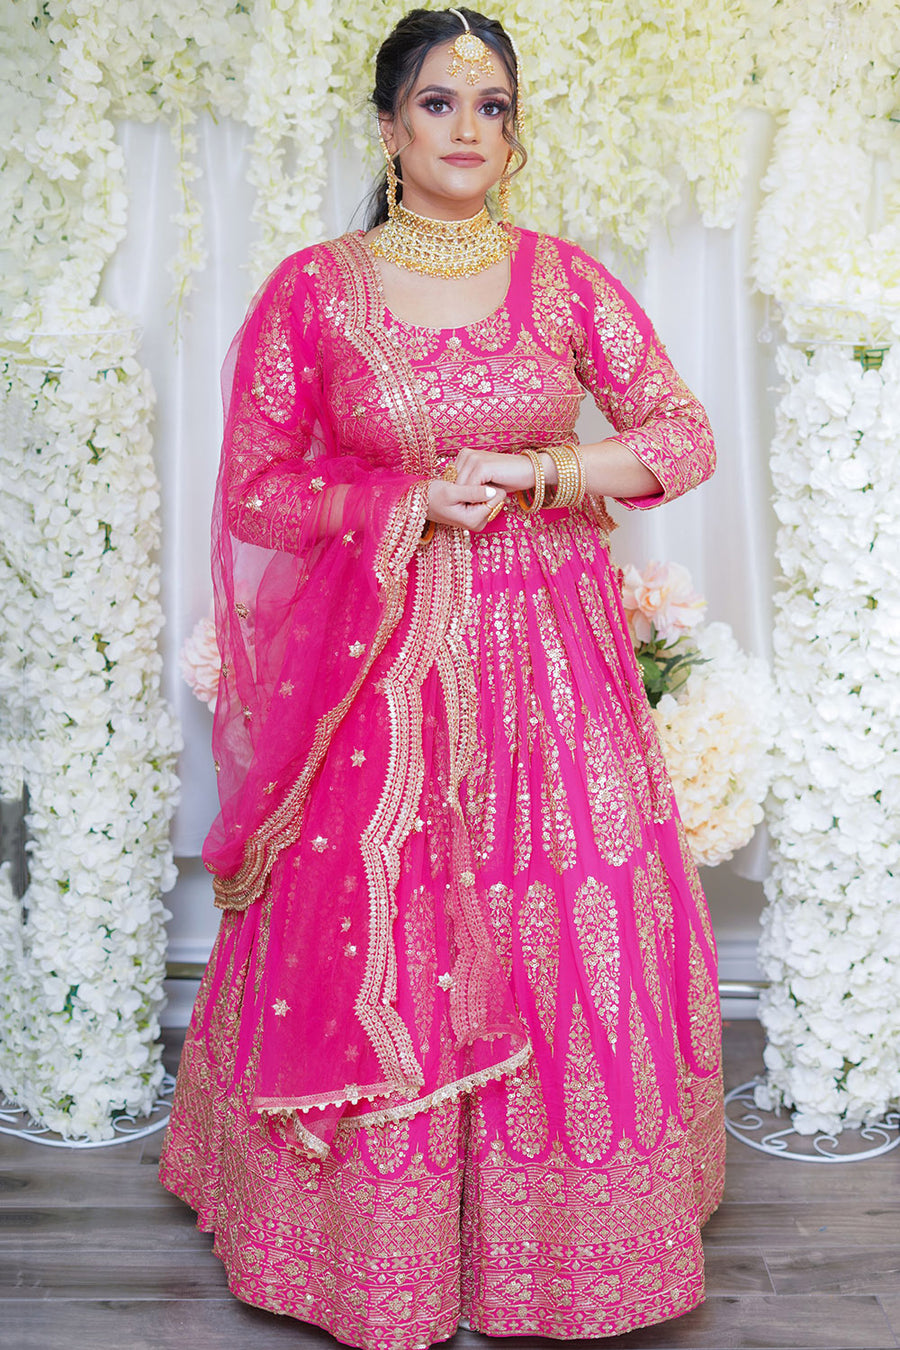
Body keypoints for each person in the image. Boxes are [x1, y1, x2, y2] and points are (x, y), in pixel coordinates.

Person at [159, 7, 725, 1346]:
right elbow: (254, 487)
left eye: (493, 106)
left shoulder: (565, 281)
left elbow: (681, 435)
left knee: (564, 909)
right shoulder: (318, 289)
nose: (470, 130)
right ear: (387, 125)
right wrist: (405, 496)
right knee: (392, 923)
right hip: (381, 675)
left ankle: (567, 1250)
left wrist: (541, 472)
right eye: (438, 103)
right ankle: (370, 1252)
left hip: (553, 662)